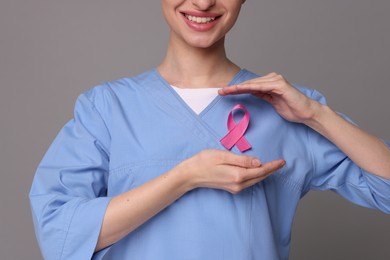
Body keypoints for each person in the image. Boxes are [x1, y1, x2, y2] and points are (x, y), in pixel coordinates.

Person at [29, 0, 390, 259]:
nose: (203, 3)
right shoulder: (107, 108)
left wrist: (316, 114)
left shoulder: (287, 109)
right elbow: (59, 232)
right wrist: (185, 177)